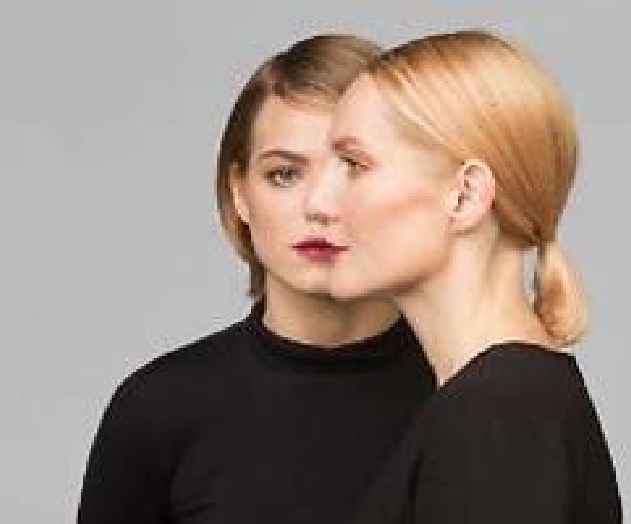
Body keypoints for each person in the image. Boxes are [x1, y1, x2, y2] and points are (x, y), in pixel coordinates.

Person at [76, 34, 435, 524]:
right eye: (284, 174)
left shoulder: (472, 395)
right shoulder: (159, 409)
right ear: (239, 193)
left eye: (353, 168)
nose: (320, 206)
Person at [326, 30, 623, 522]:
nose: (319, 203)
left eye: (355, 165)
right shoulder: (503, 402)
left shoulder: (497, 412)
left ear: (465, 196)